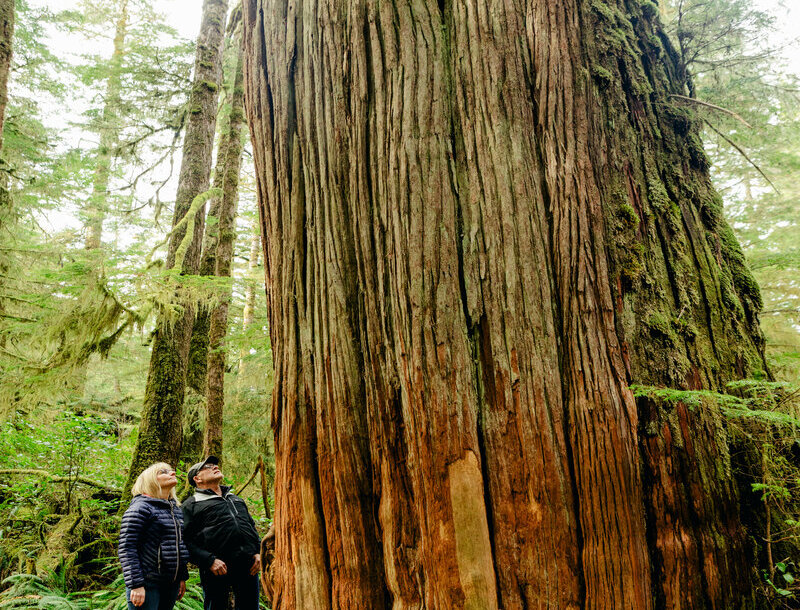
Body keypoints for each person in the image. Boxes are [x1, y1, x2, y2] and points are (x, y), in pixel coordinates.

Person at [182, 456, 261, 610]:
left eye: (215, 465)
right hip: (216, 569)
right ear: (197, 479)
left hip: (248, 566)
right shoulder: (191, 505)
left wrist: (258, 552)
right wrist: (208, 561)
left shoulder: (236, 499)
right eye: (208, 467)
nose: (214, 467)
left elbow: (251, 528)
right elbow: (184, 541)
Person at [118, 463, 190, 610]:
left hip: (171, 584)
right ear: (151, 479)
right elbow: (127, 547)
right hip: (147, 584)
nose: (172, 473)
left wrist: (181, 577)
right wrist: (136, 584)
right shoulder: (140, 508)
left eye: (171, 471)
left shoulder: (175, 509)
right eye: (163, 472)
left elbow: (179, 545)